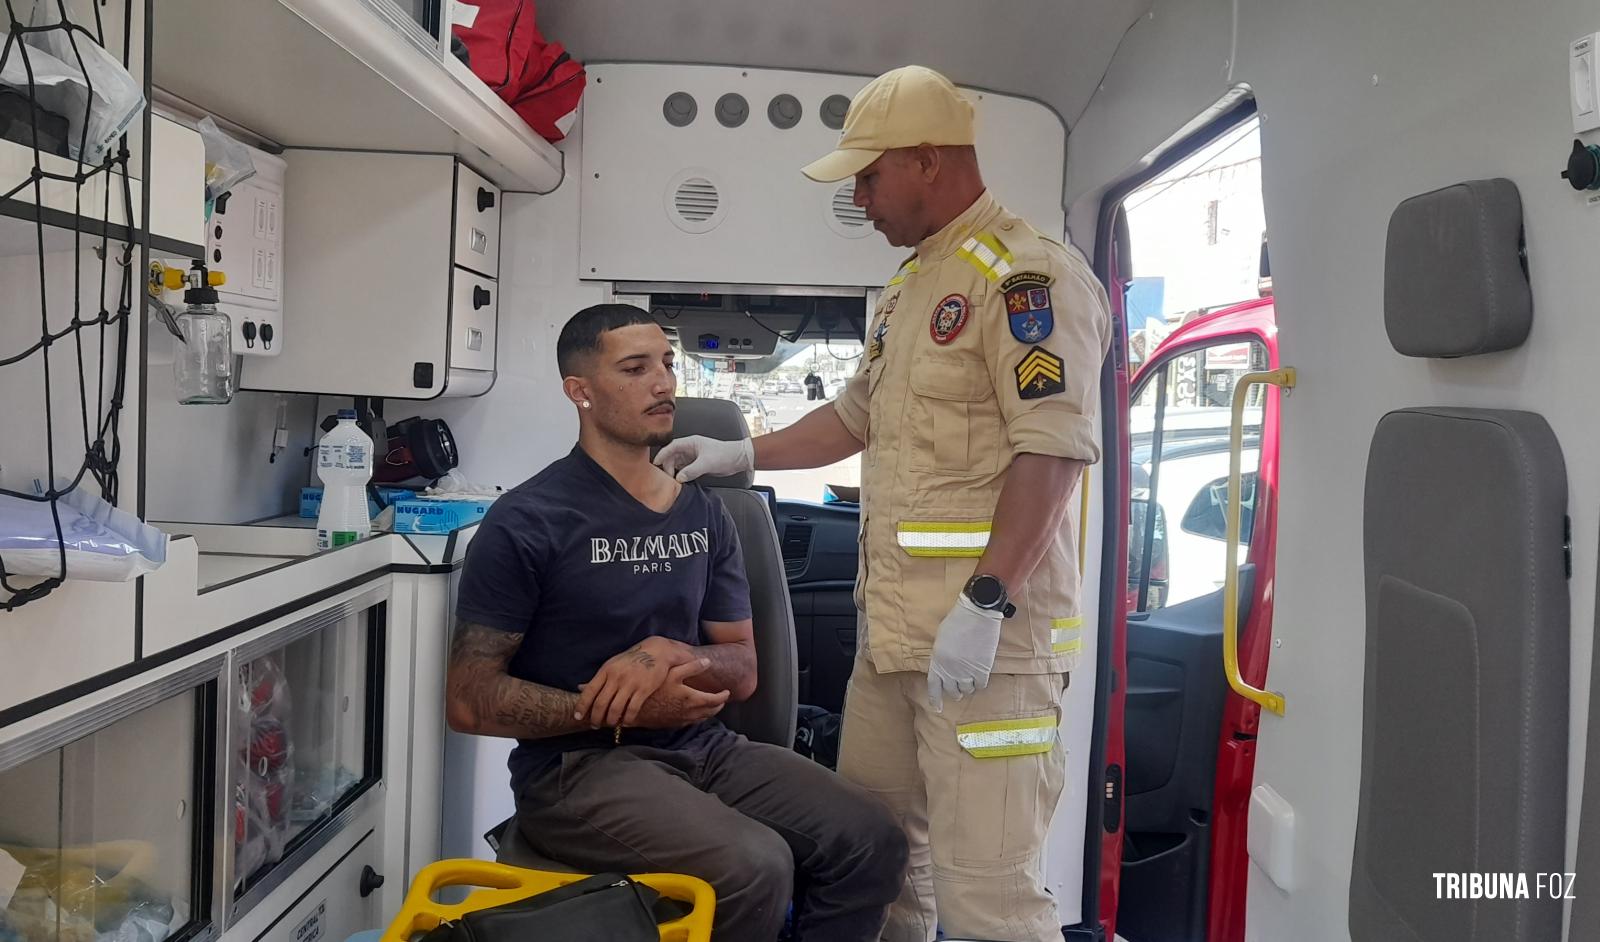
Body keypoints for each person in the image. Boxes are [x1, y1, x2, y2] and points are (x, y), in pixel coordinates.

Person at [655, 66, 1112, 942]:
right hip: (896, 642)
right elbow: (854, 416)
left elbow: (1052, 449)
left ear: (929, 160)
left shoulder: (1026, 277)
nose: (859, 198)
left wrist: (986, 604)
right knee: (880, 865)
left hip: (989, 653)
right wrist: (743, 450)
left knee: (992, 900)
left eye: (868, 176)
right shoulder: (911, 289)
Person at [445, 303, 908, 941]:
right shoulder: (528, 520)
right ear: (579, 393)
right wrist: (614, 710)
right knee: (753, 866)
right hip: (575, 771)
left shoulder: (706, 514)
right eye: (635, 369)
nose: (663, 383)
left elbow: (743, 668)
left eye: (666, 363)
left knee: (872, 837)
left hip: (704, 749)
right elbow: (469, 701)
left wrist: (669, 653)